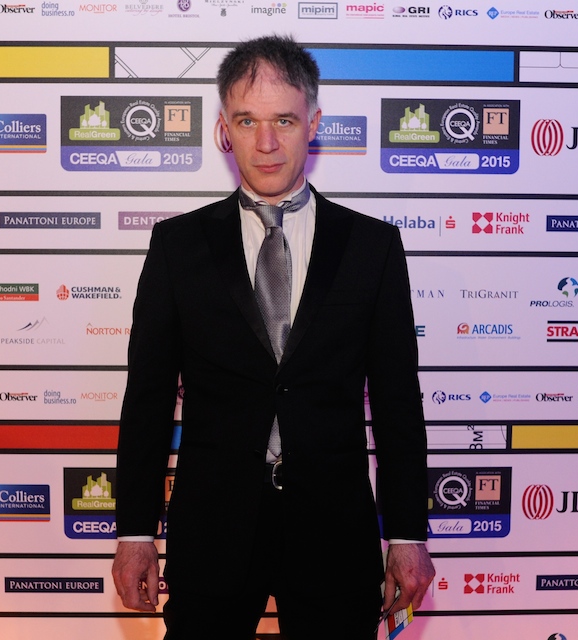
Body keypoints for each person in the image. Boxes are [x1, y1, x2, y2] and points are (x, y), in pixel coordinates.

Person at [111, 34, 434, 639]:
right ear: (223, 130)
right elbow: (148, 399)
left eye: (283, 120)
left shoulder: (371, 247)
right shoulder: (178, 246)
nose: (266, 143)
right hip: (212, 528)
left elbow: (397, 402)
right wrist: (134, 533)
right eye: (247, 121)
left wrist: (407, 535)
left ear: (314, 124)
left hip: (335, 531)